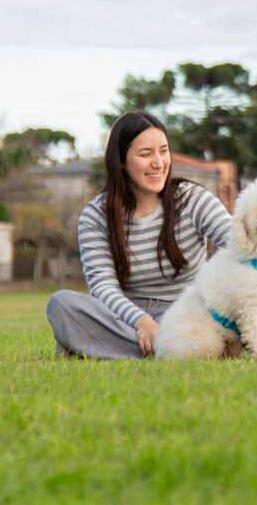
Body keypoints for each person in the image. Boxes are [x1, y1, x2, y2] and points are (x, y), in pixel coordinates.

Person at [47, 111, 233, 359]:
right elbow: (103, 287)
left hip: (188, 313)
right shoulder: (95, 216)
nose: (158, 163)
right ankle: (175, 351)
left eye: (163, 151)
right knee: (61, 304)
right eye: (146, 154)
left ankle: (98, 349)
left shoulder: (193, 199)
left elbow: (241, 245)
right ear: (121, 161)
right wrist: (142, 322)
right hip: (126, 319)